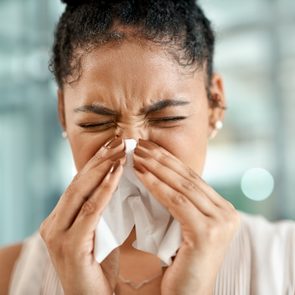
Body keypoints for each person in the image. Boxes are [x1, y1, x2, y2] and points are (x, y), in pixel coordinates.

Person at [0, 0, 294, 294]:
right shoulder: (9, 275)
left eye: (167, 118)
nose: (130, 149)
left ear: (215, 104)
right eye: (95, 123)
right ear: (63, 114)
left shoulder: (286, 262)